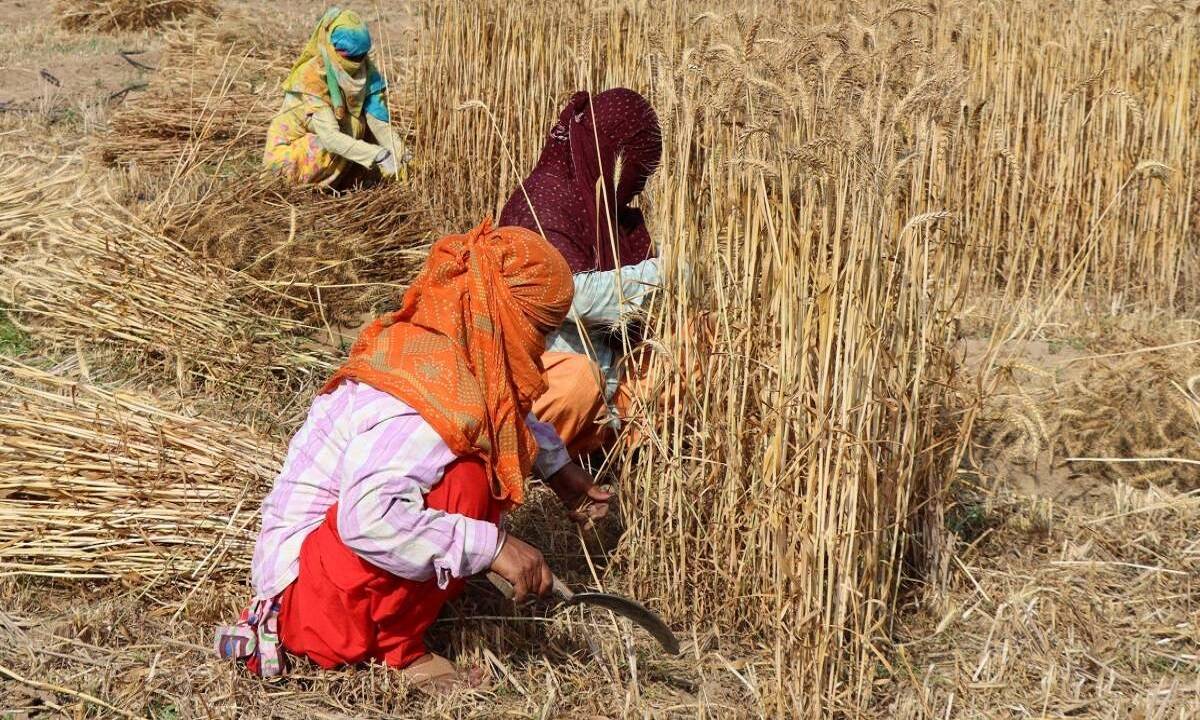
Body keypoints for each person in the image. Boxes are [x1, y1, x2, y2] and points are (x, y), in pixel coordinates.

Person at [215, 220, 611, 690]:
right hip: (309, 607)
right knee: (467, 479)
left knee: (471, 464)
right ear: (501, 314)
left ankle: (390, 619)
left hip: (327, 578)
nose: (543, 349)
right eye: (541, 331)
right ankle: (397, 651)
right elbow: (367, 519)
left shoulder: (443, 353)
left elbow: (502, 413)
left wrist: (561, 471)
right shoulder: (425, 402)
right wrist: (494, 546)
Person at [499, 88, 665, 456]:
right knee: (579, 381)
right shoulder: (540, 203)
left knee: (693, 337)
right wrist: (665, 275)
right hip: (543, 379)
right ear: (612, 155)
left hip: (607, 370)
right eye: (637, 169)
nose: (637, 186)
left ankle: (609, 440)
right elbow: (572, 296)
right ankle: (538, 454)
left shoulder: (603, 203)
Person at [263, 7, 407, 187]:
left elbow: (377, 121)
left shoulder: (366, 71)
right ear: (330, 48)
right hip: (290, 157)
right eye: (350, 57)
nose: (356, 63)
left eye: (361, 56)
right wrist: (376, 155)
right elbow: (330, 138)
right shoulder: (311, 78)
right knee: (336, 137)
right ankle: (309, 187)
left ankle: (346, 181)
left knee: (360, 124)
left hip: (333, 147)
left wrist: (400, 153)